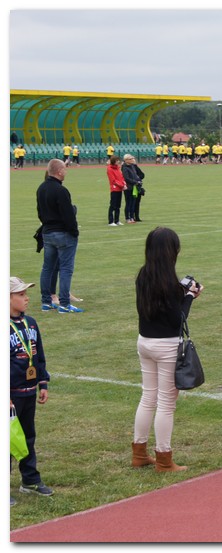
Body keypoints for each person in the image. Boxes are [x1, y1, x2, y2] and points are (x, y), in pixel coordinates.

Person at [132, 227, 202, 472]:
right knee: (166, 403)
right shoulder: (169, 283)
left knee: (148, 397)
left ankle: (139, 452)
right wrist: (189, 296)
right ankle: (163, 458)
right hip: (166, 345)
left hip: (145, 341)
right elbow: (177, 318)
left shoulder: (144, 275)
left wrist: (183, 292)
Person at [10, 276, 53, 497]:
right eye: (21, 294)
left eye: (26, 294)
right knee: (8, 439)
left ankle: (30, 480)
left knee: (28, 437)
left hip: (28, 392)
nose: (26, 298)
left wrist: (42, 382)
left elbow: (39, 355)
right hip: (10, 395)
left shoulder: (31, 323)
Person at [37, 159, 83, 313]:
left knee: (47, 268)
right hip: (63, 233)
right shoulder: (61, 190)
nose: (66, 172)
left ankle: (46, 301)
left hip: (48, 232)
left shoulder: (41, 188)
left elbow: (40, 212)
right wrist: (74, 232)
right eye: (65, 169)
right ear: (59, 171)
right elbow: (68, 215)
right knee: (65, 269)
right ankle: (64, 303)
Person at [122, 154, 145, 223]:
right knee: (128, 203)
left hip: (134, 187)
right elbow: (126, 178)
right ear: (126, 160)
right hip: (128, 188)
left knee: (133, 203)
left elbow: (138, 175)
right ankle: (127, 218)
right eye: (131, 159)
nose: (133, 160)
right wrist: (135, 182)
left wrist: (138, 181)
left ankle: (132, 217)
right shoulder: (124, 168)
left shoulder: (132, 166)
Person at [106, 155, 126, 226]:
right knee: (113, 205)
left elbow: (121, 177)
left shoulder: (118, 168)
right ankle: (111, 221)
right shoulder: (109, 169)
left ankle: (117, 220)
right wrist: (122, 185)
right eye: (117, 160)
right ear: (114, 161)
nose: (118, 161)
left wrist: (124, 184)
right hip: (114, 189)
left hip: (119, 189)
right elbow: (113, 180)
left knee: (118, 206)